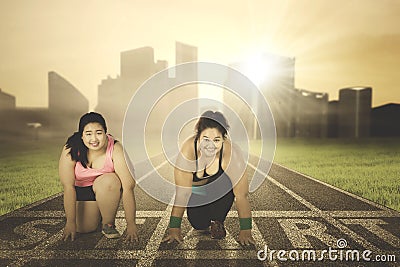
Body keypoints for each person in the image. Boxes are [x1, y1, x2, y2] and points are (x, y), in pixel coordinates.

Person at [162, 110, 255, 245]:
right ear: (198, 137)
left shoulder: (231, 153)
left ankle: (217, 220)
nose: (210, 146)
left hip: (221, 193)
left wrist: (246, 230)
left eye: (216, 140)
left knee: (227, 182)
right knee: (198, 223)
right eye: (206, 139)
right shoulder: (188, 151)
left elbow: (241, 195)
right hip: (198, 193)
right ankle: (206, 220)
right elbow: (183, 193)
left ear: (223, 139)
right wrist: (174, 228)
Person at [59, 112, 138, 242]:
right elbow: (68, 187)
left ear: (106, 133)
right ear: (82, 136)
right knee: (84, 228)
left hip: (106, 187)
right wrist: (71, 222)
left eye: (99, 133)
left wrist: (131, 225)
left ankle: (108, 223)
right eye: (88, 134)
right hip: (81, 189)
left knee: (109, 181)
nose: (94, 139)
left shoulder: (115, 148)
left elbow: (128, 188)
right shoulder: (71, 149)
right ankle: (97, 212)